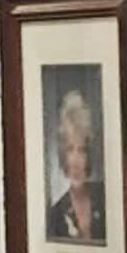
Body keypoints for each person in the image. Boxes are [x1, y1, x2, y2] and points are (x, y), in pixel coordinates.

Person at [45, 88, 106, 244]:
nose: (76, 160)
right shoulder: (55, 215)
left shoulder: (106, 198)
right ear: (62, 154)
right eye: (70, 149)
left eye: (82, 150)